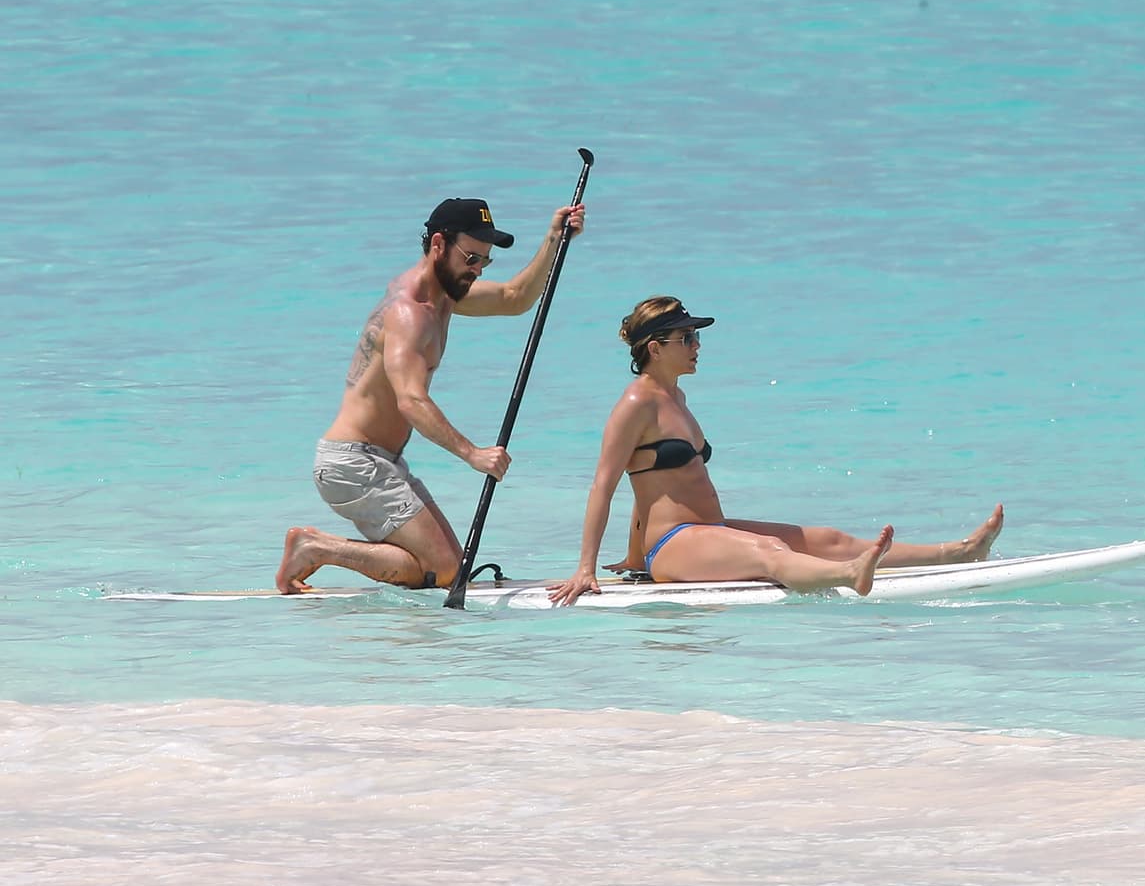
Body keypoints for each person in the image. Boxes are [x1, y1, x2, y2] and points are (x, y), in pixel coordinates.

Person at [549, 295, 1004, 606]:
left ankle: (959, 553)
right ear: (655, 347)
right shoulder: (636, 403)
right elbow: (605, 485)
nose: (697, 346)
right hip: (671, 547)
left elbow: (649, 484)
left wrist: (629, 560)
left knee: (826, 538)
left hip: (707, 531)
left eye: (696, 336)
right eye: (686, 338)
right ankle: (850, 575)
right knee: (768, 550)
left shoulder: (677, 399)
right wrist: (586, 568)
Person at [276, 197, 585, 594]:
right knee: (446, 575)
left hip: (381, 462)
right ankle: (316, 548)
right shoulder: (410, 312)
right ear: (439, 244)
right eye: (471, 258)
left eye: (484, 262)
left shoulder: (443, 296)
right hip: (355, 464)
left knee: (444, 571)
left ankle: (317, 548)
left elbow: (515, 298)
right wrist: (473, 453)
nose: (476, 270)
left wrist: (554, 240)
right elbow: (411, 400)